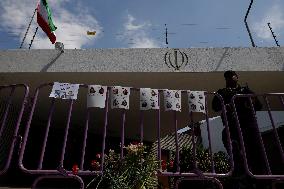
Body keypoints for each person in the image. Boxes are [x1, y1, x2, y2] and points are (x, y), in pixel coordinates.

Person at [212, 71, 267, 188]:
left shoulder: (245, 91)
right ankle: (240, 175)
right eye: (226, 77)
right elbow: (215, 106)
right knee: (234, 150)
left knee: (256, 152)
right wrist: (224, 104)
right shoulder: (222, 92)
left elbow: (258, 106)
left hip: (248, 125)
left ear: (237, 77)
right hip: (232, 125)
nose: (229, 78)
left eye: (232, 75)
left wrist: (250, 101)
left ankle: (261, 180)